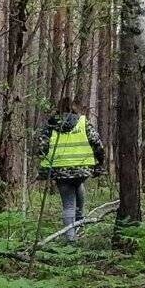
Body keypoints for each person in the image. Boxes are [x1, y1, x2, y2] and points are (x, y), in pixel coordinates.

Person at [37, 98, 106, 242]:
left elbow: (41, 147)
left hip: (59, 170)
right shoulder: (82, 122)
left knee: (68, 204)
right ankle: (79, 225)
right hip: (81, 169)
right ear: (74, 108)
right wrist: (100, 161)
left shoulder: (51, 124)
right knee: (78, 185)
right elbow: (97, 143)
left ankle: (71, 239)